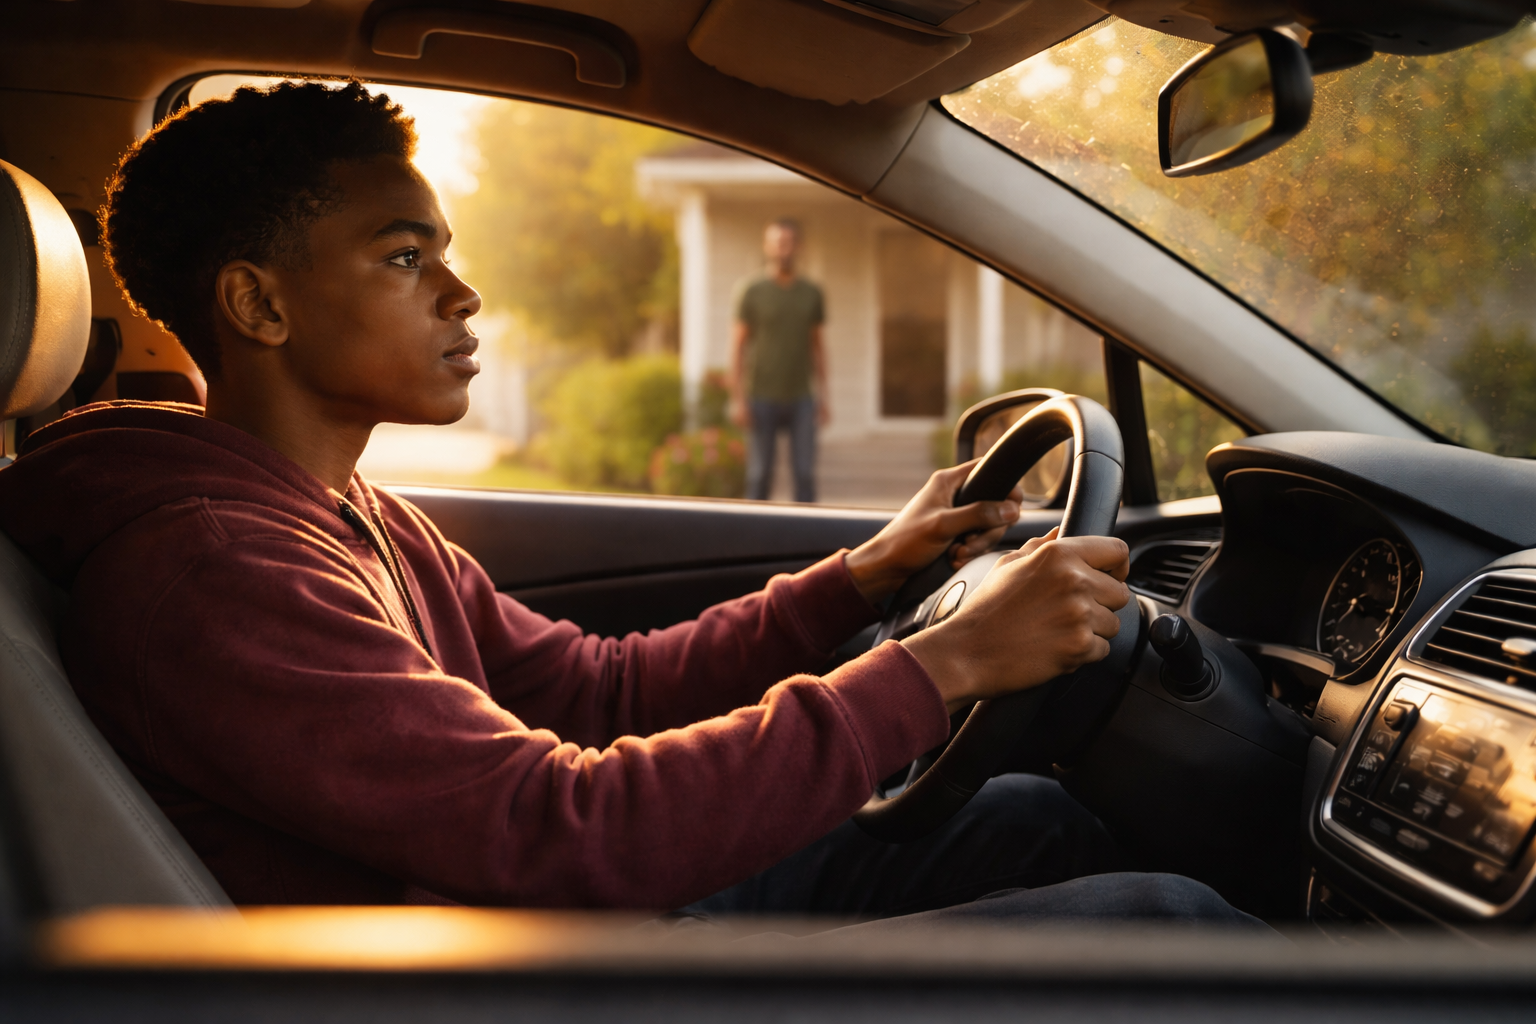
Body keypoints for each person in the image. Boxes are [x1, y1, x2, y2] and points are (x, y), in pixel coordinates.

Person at [0, 82, 1259, 928]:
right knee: (1163, 928)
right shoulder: (212, 570)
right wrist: (941, 665)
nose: (462, 293)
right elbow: (562, 830)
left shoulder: (334, 508)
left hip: (525, 924)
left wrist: (865, 578)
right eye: (403, 257)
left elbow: (592, 694)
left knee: (1034, 819)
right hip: (483, 980)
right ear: (260, 307)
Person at [730, 219, 827, 503]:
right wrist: (738, 398)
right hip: (761, 395)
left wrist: (824, 396)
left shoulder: (812, 293)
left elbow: (818, 347)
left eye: (788, 243)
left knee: (805, 475)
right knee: (759, 475)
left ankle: (810, 540)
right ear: (767, 247)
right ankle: (751, 539)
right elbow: (738, 347)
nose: (783, 249)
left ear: (798, 247)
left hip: (802, 397)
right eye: (777, 243)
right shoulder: (751, 290)